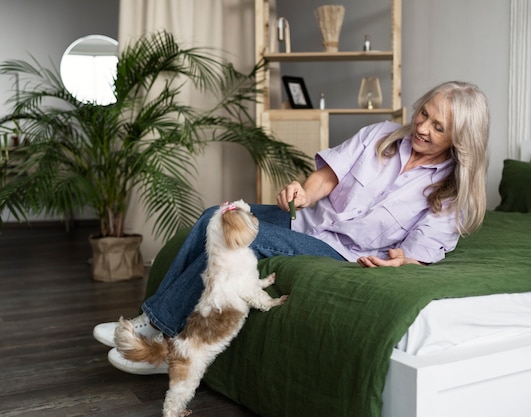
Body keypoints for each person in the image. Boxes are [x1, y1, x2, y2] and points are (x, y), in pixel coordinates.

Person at [94, 80, 490, 374]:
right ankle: (152, 321)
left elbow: (417, 252)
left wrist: (399, 263)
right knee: (221, 214)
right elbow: (329, 177)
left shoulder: (451, 190)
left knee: (248, 238)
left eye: (439, 127)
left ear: (459, 138)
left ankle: (162, 339)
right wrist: (304, 190)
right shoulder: (382, 136)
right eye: (424, 114)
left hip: (342, 252)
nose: (423, 128)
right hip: (307, 220)